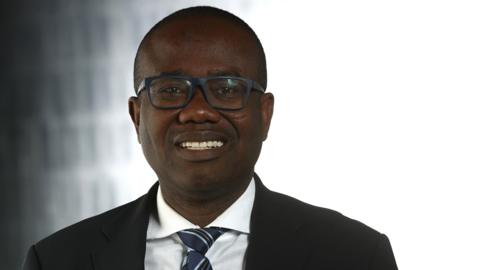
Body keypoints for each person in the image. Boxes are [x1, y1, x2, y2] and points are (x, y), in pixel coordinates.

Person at [23, 6, 397, 270]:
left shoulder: (355, 256)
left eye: (227, 87)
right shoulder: (57, 260)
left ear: (264, 114)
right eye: (170, 90)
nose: (197, 111)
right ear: (137, 117)